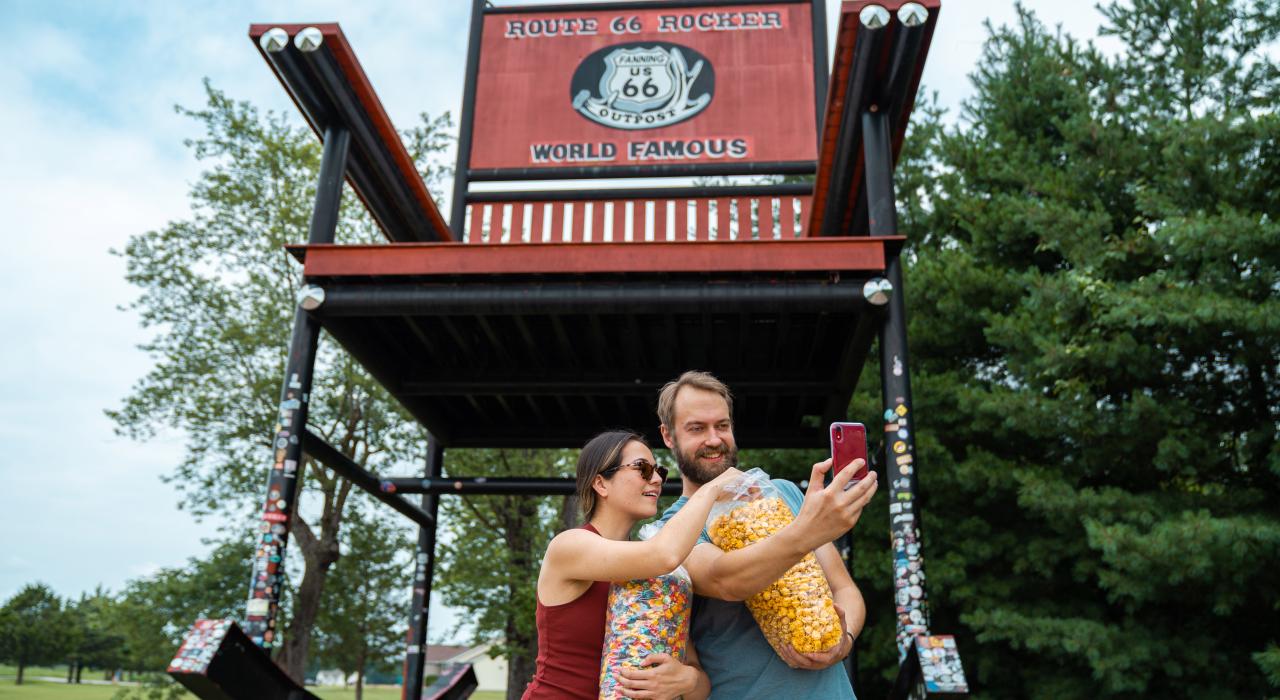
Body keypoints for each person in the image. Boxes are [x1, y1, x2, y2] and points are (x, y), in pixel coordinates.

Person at [638, 370, 879, 699]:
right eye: (697, 428)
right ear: (668, 436)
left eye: (722, 426)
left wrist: (844, 641)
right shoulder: (670, 530)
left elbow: (843, 588)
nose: (714, 439)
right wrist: (806, 533)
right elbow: (727, 580)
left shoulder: (782, 493)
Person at [523, 429, 744, 700]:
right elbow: (664, 555)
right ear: (601, 483)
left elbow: (698, 681)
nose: (656, 479)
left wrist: (688, 679)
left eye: (659, 471)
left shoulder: (658, 575)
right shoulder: (569, 546)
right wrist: (711, 487)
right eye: (642, 468)